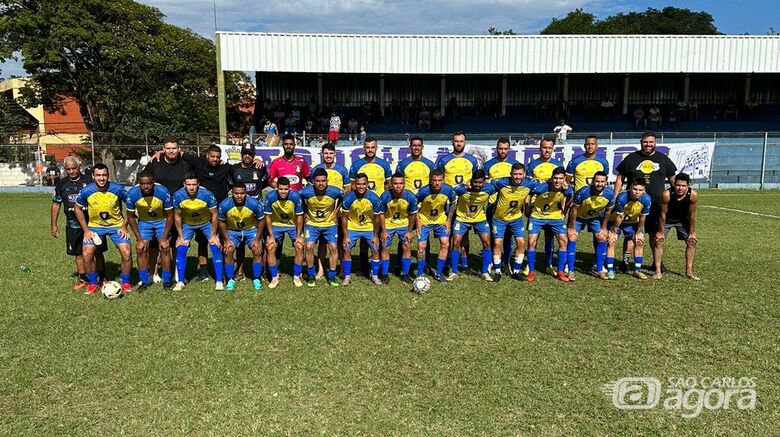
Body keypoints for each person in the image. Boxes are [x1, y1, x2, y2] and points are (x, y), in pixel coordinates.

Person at [614, 131, 676, 276]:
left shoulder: (663, 159)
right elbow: (620, 178)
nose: (648, 144)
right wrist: (616, 195)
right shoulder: (631, 158)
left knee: (654, 234)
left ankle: (657, 262)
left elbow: (673, 179)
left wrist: (675, 195)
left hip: (656, 205)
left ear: (655, 143)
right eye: (645, 142)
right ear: (641, 142)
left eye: (651, 142)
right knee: (631, 235)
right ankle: (626, 261)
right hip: (633, 205)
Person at [73, 163, 133, 295]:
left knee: (126, 252)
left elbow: (130, 206)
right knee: (87, 253)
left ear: (108, 175)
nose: (102, 178)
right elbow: (77, 209)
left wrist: (124, 226)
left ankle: (126, 282)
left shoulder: (118, 189)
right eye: (98, 175)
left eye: (104, 175)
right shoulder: (86, 191)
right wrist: (86, 230)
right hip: (95, 227)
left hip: (117, 226)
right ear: (93, 176)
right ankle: (93, 284)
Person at [51, 156, 106, 290]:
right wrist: (53, 224)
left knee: (98, 251)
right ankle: (83, 279)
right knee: (78, 253)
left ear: (79, 167)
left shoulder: (90, 181)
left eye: (74, 168)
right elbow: (56, 204)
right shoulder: (61, 184)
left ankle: (102, 278)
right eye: (68, 169)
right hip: (73, 225)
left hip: (93, 224)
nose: (71, 171)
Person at [142, 138, 192, 283]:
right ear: (163, 149)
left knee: (177, 241)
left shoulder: (185, 164)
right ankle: (153, 273)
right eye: (168, 148)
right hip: (157, 209)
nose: (171, 151)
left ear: (179, 149)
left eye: (174, 148)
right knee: (153, 244)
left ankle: (177, 271)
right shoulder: (155, 162)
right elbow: (144, 180)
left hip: (177, 210)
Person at [171, 172, 224, 291]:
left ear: (198, 184)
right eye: (189, 184)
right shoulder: (178, 195)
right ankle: (180, 281)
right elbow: (177, 217)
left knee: (215, 245)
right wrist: (180, 236)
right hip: (188, 224)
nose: (191, 187)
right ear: (184, 184)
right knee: (181, 247)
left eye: (194, 184)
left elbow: (214, 215)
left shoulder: (207, 194)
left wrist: (214, 235)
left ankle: (219, 281)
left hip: (206, 223)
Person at [436, 131, 479, 273]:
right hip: (448, 203)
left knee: (464, 235)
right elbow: (438, 179)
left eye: (461, 141)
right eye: (456, 141)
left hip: (466, 203)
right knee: (447, 234)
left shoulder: (472, 160)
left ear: (465, 142)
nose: (459, 143)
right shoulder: (444, 160)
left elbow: (476, 181)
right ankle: (447, 261)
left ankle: (464, 263)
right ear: (452, 142)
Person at [349, 137, 393, 275]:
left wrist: (381, 199)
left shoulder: (384, 165)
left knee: (380, 237)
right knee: (364, 240)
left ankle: (379, 267)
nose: (370, 150)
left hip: (378, 207)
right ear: (363, 148)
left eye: (372, 147)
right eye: (367, 147)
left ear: (376, 148)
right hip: (363, 207)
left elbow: (388, 184)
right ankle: (363, 268)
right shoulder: (356, 165)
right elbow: (352, 186)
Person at [126, 171, 174, 291]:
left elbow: (170, 215)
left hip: (161, 220)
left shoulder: (162, 191)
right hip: (144, 221)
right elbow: (131, 217)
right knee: (141, 248)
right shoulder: (132, 193)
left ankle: (167, 281)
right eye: (143, 184)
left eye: (148, 183)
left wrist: (164, 237)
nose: (146, 186)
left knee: (164, 247)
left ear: (153, 183)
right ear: (139, 183)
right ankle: (144, 281)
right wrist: (139, 239)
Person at [490, 163, 538, 281]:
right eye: (515, 174)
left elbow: (544, 183)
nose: (517, 177)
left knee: (521, 242)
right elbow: (487, 184)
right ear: (510, 174)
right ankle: (497, 271)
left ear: (524, 174)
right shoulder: (501, 183)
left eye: (520, 174)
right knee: (497, 243)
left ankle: (516, 271)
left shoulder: (530, 183)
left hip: (516, 218)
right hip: (499, 219)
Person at [229, 144, 270, 281]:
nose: (247, 156)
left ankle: (261, 272)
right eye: (245, 153)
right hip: (240, 211)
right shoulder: (234, 169)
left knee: (260, 242)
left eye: (250, 153)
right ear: (241, 154)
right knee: (239, 242)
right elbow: (231, 186)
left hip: (257, 211)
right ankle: (240, 271)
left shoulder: (260, 167)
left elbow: (264, 183)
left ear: (254, 155)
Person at [310, 143, 351, 279]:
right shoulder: (316, 169)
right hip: (321, 214)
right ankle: (320, 270)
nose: (328, 156)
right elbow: (311, 191)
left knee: (338, 243)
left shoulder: (342, 170)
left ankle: (339, 269)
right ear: (322, 154)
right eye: (326, 153)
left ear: (335, 155)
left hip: (337, 214)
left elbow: (347, 189)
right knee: (322, 243)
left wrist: (336, 207)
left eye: (331, 153)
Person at [448, 169, 496, 282]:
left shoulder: (489, 188)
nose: (477, 185)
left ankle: (485, 272)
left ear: (484, 181)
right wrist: (464, 184)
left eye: (480, 182)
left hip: (480, 218)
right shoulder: (462, 189)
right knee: (456, 242)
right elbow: (452, 189)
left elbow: (499, 184)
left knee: (487, 243)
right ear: (471, 181)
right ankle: (453, 271)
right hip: (462, 218)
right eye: (475, 182)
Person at [526, 167, 573, 282]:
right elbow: (528, 193)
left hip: (555, 217)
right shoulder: (542, 187)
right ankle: (531, 271)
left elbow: (570, 197)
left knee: (564, 241)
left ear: (564, 180)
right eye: (555, 178)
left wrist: (564, 211)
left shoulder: (566, 189)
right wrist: (527, 208)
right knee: (531, 241)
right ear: (552, 179)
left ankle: (560, 272)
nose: (558, 181)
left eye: (561, 178)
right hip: (537, 216)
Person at [527, 138, 565, 276]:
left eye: (549, 148)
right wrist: (528, 207)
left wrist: (562, 210)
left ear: (553, 149)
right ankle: (529, 267)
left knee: (550, 237)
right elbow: (528, 187)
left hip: (553, 209)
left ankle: (548, 264)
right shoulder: (532, 165)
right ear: (540, 148)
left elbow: (563, 191)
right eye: (544, 147)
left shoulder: (558, 164)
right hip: (537, 209)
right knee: (533, 238)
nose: (547, 150)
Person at [567, 171, 614, 281]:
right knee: (572, 237)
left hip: (594, 218)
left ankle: (599, 270)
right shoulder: (582, 193)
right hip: (579, 217)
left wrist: (604, 227)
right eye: (597, 181)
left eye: (602, 182)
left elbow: (608, 211)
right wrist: (572, 227)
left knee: (602, 237)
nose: (599, 184)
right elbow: (574, 209)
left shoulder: (610, 194)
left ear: (606, 182)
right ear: (592, 181)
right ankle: (570, 270)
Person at [218, 183, 265, 292]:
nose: (239, 196)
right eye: (236, 193)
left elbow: (261, 220)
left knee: (257, 250)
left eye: (242, 193)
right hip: (233, 231)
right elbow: (221, 222)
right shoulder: (225, 204)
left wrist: (257, 239)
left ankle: (257, 278)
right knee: (228, 250)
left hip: (250, 230)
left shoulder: (254, 203)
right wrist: (226, 240)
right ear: (232, 193)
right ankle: (230, 279)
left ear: (246, 193)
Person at [300, 168, 342, 287]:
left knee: (333, 247)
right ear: (313, 181)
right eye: (318, 181)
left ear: (327, 181)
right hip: (312, 224)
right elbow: (299, 200)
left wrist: (335, 213)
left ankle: (332, 276)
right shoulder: (305, 192)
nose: (320, 183)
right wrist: (305, 213)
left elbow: (342, 198)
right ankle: (311, 275)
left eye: (323, 181)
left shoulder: (335, 192)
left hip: (329, 224)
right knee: (308, 247)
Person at [655, 172, 699, 280]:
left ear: (688, 186)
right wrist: (660, 231)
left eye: (683, 186)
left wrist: (692, 232)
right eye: (678, 185)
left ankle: (689, 272)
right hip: (667, 220)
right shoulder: (666, 194)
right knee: (658, 241)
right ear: (674, 184)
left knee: (692, 241)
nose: (680, 188)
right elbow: (662, 214)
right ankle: (657, 271)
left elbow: (692, 215)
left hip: (683, 221)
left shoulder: (693, 195)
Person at [341, 173, 383, 286]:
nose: (361, 187)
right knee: (346, 249)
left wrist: (375, 235)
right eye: (358, 184)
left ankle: (375, 277)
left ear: (367, 184)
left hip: (369, 227)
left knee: (375, 249)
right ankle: (347, 277)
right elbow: (344, 218)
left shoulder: (374, 198)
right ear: (354, 184)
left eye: (364, 184)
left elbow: (377, 219)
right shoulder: (348, 198)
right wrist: (345, 236)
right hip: (353, 227)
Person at [483, 137, 519, 270]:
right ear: (496, 149)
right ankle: (494, 260)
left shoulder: (514, 164)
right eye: (500, 148)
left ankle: (506, 262)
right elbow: (485, 186)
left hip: (510, 207)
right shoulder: (488, 165)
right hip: (493, 206)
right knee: (493, 235)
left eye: (505, 149)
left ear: (509, 149)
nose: (503, 151)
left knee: (508, 236)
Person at [264, 177, 305, 288]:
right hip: (276, 225)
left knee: (299, 246)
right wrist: (271, 236)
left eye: (286, 189)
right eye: (281, 189)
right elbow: (267, 216)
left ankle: (296, 276)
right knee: (270, 246)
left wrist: (298, 235)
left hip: (292, 225)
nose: (283, 191)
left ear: (289, 188)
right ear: (276, 188)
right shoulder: (270, 197)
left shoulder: (295, 196)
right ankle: (274, 277)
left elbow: (300, 216)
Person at [608, 178, 652, 280]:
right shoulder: (622, 197)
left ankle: (637, 270)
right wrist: (614, 231)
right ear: (630, 188)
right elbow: (619, 217)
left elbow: (642, 217)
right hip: (616, 221)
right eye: (635, 189)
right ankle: (610, 270)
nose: (637, 192)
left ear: (644, 190)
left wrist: (639, 232)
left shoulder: (646, 199)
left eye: (640, 190)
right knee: (611, 241)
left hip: (631, 222)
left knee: (639, 241)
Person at [416, 169, 456, 282]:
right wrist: (418, 220)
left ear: (443, 180)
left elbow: (453, 203)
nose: (437, 183)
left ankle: (438, 273)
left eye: (439, 180)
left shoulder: (448, 190)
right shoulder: (423, 191)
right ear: (430, 180)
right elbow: (414, 205)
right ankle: (420, 274)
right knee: (421, 247)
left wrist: (448, 220)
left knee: (445, 243)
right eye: (434, 180)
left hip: (440, 221)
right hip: (425, 221)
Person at [379, 173, 418, 284]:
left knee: (407, 246)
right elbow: (381, 214)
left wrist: (410, 231)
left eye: (401, 183)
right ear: (391, 184)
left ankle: (405, 274)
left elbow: (412, 214)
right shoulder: (385, 196)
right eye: (395, 183)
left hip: (403, 225)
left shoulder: (410, 196)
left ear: (404, 184)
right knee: (385, 248)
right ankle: (385, 274)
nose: (398, 186)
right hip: (388, 224)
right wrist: (384, 231)